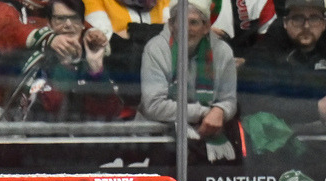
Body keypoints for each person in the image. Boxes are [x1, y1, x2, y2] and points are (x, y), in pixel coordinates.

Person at [138, 0, 241, 164]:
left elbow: (228, 100)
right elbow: (153, 106)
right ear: (171, 25)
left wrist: (221, 110)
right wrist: (204, 112)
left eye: (193, 22)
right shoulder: (156, 48)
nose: (187, 29)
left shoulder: (222, 51)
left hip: (209, 135)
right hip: (159, 137)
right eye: (181, 22)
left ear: (206, 27)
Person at [0, 0, 126, 122]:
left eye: (74, 18)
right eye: (60, 19)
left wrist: (96, 71)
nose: (68, 25)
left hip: (83, 144)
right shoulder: (34, 61)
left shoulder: (90, 62)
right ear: (49, 25)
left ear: (82, 24)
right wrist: (64, 65)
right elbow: (47, 113)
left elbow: (110, 114)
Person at [237, 0, 326, 138]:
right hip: (281, 140)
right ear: (285, 22)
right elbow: (257, 101)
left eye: (314, 18)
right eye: (298, 18)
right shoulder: (266, 52)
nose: (306, 26)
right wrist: (316, 108)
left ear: (323, 24)